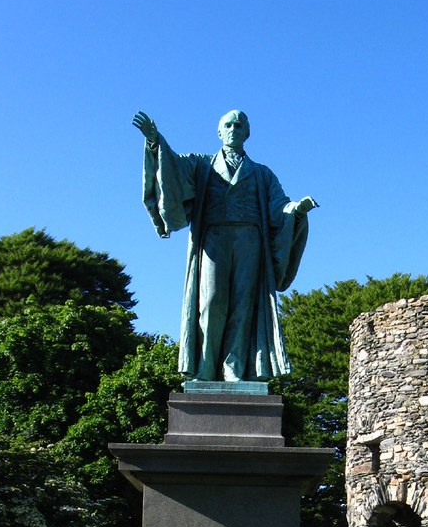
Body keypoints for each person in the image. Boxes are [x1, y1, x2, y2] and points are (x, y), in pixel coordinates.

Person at [133, 110, 317, 382]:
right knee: (211, 302)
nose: (233, 128)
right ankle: (206, 365)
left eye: (239, 125)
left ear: (247, 133)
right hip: (214, 239)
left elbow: (279, 206)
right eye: (228, 125)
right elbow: (171, 167)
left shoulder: (262, 174)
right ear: (219, 132)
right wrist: (154, 141)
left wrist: (296, 209)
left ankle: (233, 368)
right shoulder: (201, 165)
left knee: (243, 304)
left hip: (249, 240)